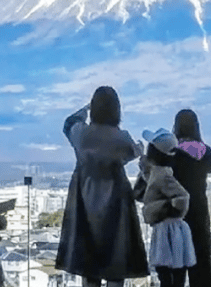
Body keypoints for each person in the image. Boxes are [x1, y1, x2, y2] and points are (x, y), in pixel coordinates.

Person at [55, 86, 149, 287]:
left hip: (84, 197)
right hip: (116, 199)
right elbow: (134, 152)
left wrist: (85, 108)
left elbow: (68, 123)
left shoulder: (81, 134)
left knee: (88, 262)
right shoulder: (121, 137)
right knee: (117, 256)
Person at [138, 128, 196, 287]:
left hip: (168, 229)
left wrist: (160, 209)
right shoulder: (160, 172)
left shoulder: (162, 174)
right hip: (171, 229)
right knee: (175, 270)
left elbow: (182, 197)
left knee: (166, 271)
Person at [170, 109, 211, 287]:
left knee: (174, 265)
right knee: (201, 262)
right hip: (199, 210)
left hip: (175, 210)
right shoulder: (204, 152)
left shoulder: (170, 153)